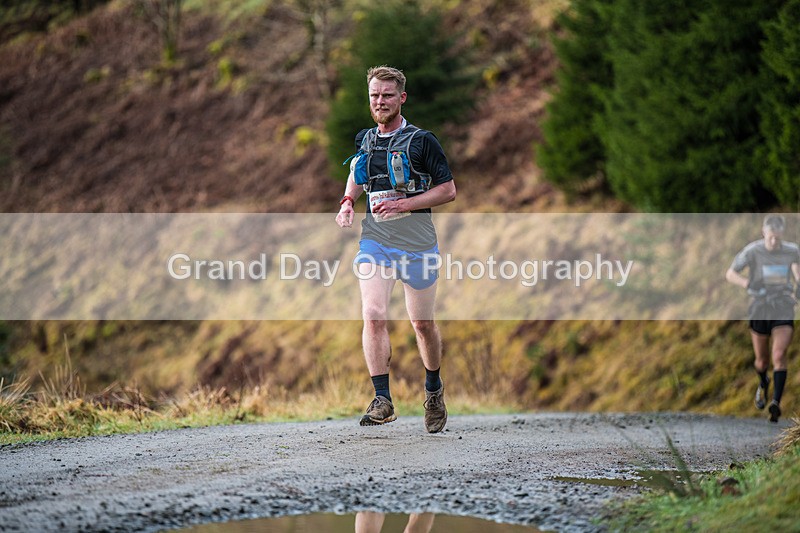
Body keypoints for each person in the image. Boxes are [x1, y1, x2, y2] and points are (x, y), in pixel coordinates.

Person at [335, 65, 456, 433]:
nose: (380, 101)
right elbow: (358, 173)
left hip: (418, 244)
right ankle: (382, 399)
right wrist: (347, 201)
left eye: (387, 95)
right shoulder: (365, 139)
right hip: (376, 241)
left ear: (402, 98)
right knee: (373, 313)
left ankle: (433, 390)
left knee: (422, 324)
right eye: (374, 95)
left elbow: (448, 190)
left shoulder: (423, 141)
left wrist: (405, 204)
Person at [726, 214, 800, 423]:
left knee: (779, 354)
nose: (774, 242)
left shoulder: (792, 250)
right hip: (760, 306)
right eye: (770, 237)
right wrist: (748, 284)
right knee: (762, 361)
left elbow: (796, 266)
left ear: (782, 234)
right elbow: (730, 274)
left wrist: (799, 281)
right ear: (763, 233)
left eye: (777, 237)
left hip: (783, 305)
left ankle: (776, 402)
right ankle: (763, 381)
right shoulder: (752, 251)